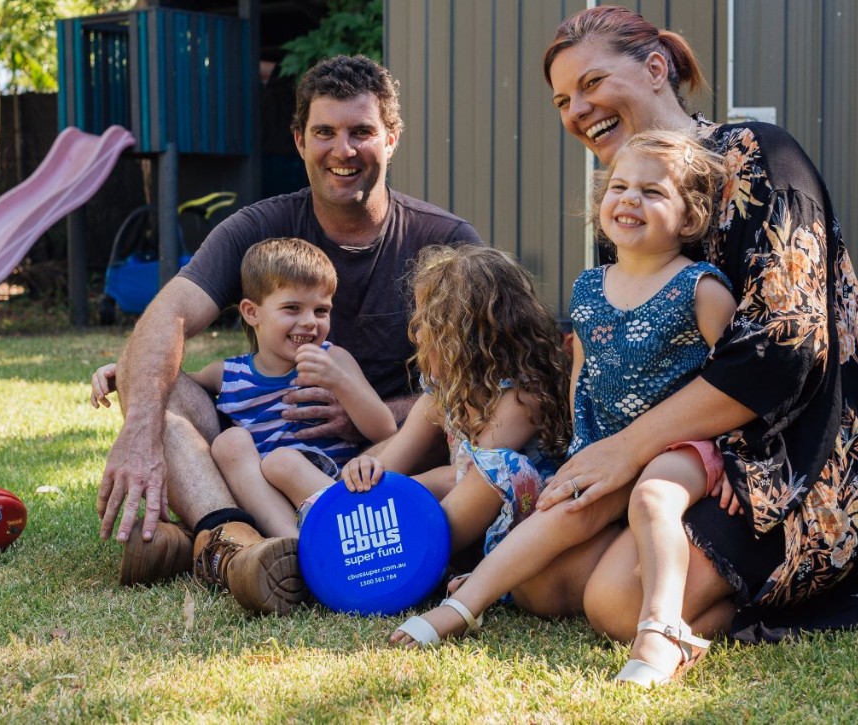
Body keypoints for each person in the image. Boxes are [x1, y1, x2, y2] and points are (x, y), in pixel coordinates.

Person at [512, 5, 858, 678]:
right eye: (562, 100)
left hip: (796, 453)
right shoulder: (623, 205)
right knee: (540, 579)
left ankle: (698, 607)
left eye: (590, 84)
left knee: (615, 601)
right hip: (667, 460)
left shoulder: (761, 155)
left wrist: (628, 450)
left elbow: (782, 349)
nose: (577, 110)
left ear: (654, 69)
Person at [96, 54, 482, 614]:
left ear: (392, 138)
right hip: (260, 458)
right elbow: (169, 315)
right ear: (299, 140)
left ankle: (204, 545)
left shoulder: (443, 241)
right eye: (324, 132)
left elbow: (482, 381)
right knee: (159, 388)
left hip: (388, 458)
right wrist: (137, 426)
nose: (342, 151)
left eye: (361, 132)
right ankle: (234, 546)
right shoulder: (259, 229)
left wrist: (373, 412)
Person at [386, 131, 741, 664]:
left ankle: (660, 627)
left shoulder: (702, 289)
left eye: (652, 192)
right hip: (606, 447)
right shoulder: (590, 288)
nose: (629, 199)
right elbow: (582, 372)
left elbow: (737, 378)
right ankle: (465, 607)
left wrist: (737, 459)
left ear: (689, 218)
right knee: (566, 509)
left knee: (652, 500)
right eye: (619, 186)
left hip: (679, 448)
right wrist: (582, 448)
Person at [276, 244, 568, 579]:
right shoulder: (439, 399)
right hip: (457, 526)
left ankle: (410, 558)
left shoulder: (523, 398)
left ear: (462, 337)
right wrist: (366, 468)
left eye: (425, 322)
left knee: (493, 472)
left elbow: (481, 475)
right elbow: (390, 467)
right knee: (403, 484)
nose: (415, 333)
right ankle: (342, 540)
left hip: (522, 533)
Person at [93, 238, 397, 539]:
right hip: (259, 499)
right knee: (230, 443)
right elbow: (172, 385)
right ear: (252, 312)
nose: (309, 323)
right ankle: (286, 546)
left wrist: (340, 382)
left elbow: (384, 429)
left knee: (282, 461)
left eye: (321, 311)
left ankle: (310, 541)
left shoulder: (335, 359)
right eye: (292, 308)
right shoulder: (229, 374)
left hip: (326, 488)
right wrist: (126, 373)